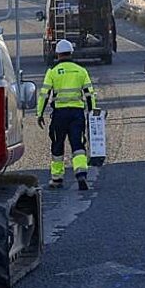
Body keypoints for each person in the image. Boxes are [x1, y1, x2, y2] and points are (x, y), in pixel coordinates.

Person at [37, 39, 97, 191]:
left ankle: (57, 179)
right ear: (71, 53)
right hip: (77, 114)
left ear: (57, 54)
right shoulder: (81, 70)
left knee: (58, 145)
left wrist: (40, 114)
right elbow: (89, 94)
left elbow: (44, 94)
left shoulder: (53, 71)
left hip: (60, 115)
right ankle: (81, 174)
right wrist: (92, 112)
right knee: (78, 144)